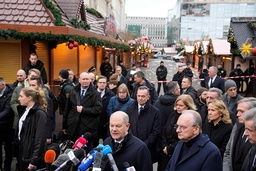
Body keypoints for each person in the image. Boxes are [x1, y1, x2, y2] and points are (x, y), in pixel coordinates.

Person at [63, 72, 102, 151]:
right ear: (79, 80)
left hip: (88, 128)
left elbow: (98, 109)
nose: (85, 81)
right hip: (73, 127)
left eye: (87, 79)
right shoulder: (73, 91)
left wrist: (84, 110)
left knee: (86, 151)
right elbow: (67, 109)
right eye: (83, 79)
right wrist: (65, 126)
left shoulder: (95, 94)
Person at [158, 95, 196, 171]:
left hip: (179, 152)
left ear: (188, 106)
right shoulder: (173, 115)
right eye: (177, 105)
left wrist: (171, 148)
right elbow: (165, 131)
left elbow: (187, 136)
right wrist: (164, 146)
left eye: (181, 105)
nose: (178, 107)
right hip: (165, 152)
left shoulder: (192, 118)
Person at [126, 86, 161, 163]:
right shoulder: (130, 109)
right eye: (138, 96)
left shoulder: (155, 112)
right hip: (132, 147)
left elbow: (155, 132)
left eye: (143, 96)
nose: (140, 98)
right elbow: (127, 127)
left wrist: (144, 145)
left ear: (148, 97)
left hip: (148, 149)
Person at [17, 87, 47, 171]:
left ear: (29, 98)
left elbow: (40, 138)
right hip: (23, 151)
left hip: (31, 155)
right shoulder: (25, 110)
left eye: (21, 96)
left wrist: (34, 160)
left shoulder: (39, 113)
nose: (19, 99)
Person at [223, 97, 256, 171]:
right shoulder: (237, 126)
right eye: (237, 111)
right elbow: (228, 152)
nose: (237, 114)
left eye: (241, 111)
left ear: (252, 112)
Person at [29, 76, 54, 144]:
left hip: (41, 132)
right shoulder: (28, 99)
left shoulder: (46, 100)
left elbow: (49, 118)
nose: (31, 87)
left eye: (33, 85)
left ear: (39, 86)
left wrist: (48, 136)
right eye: (30, 85)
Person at [0, 77, 14, 171]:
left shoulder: (10, 93)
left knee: (8, 149)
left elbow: (8, 110)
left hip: (8, 126)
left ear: (2, 85)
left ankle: (7, 167)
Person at [96, 76, 115, 140]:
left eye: (104, 83)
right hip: (94, 123)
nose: (102, 84)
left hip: (105, 123)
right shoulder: (92, 93)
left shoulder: (111, 94)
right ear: (97, 83)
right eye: (100, 82)